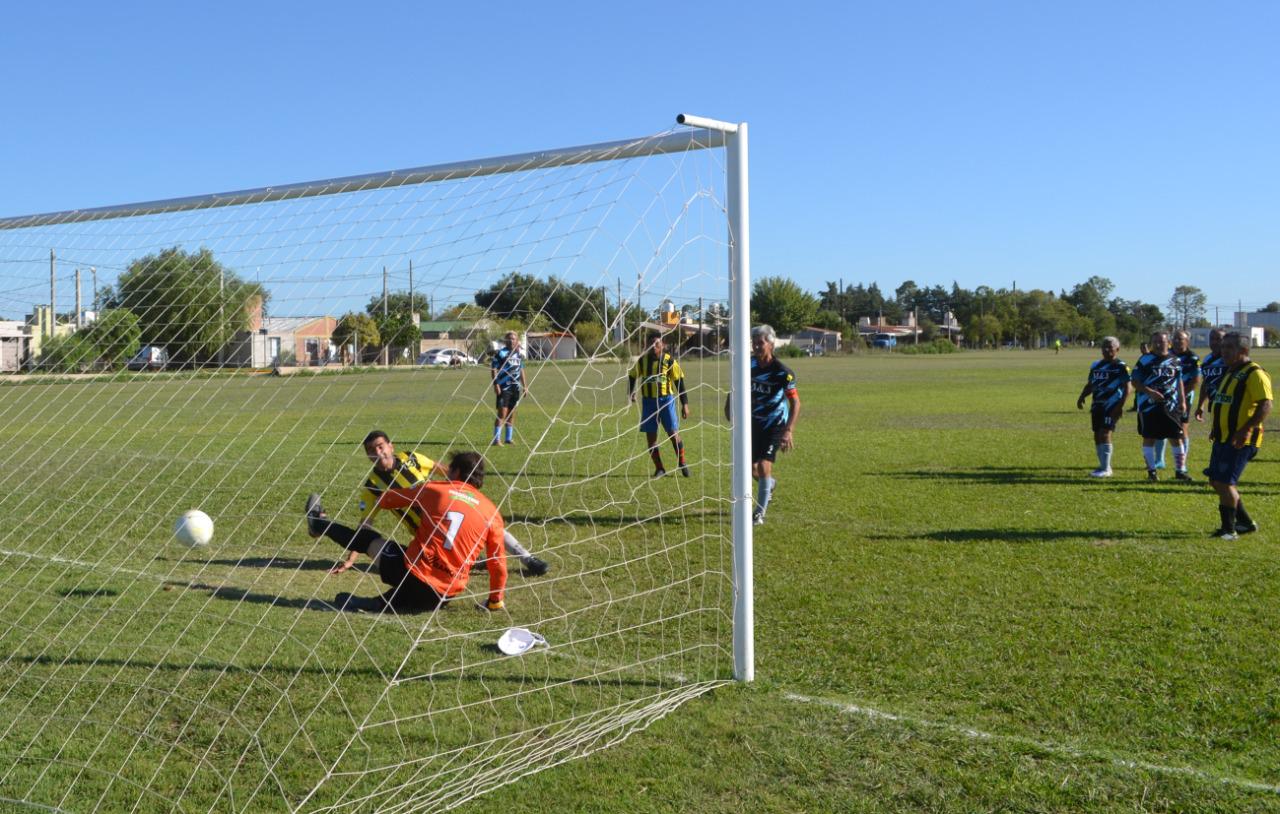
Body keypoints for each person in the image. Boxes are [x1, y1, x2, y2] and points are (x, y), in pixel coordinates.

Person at [309, 430, 549, 576]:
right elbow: (366, 525)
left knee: (488, 524)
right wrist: (351, 560)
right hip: (426, 539)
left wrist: (466, 488)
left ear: (391, 446)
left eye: (381, 446)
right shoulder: (372, 485)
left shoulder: (411, 459)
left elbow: (441, 469)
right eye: (371, 450)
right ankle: (475, 561)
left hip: (445, 515)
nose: (378, 453)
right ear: (367, 455)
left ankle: (528, 558)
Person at [306, 451, 508, 613]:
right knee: (416, 576)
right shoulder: (492, 512)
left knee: (369, 540)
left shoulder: (435, 490)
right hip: (444, 595)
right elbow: (498, 564)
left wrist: (381, 498)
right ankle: (376, 603)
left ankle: (318, 524)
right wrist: (494, 601)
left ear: (455, 472)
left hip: (412, 575)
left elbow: (387, 500)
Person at [725, 324, 800, 525]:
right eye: (754, 343)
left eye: (761, 343)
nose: (757, 347)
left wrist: (788, 431)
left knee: (763, 466)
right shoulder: (747, 365)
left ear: (771, 344)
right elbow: (735, 387)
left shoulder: (783, 373)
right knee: (750, 469)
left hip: (774, 425)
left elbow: (795, 403)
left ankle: (759, 512)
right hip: (753, 423)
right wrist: (728, 406)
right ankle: (770, 485)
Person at [1204, 332, 1272, 539]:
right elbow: (1225, 402)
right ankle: (1245, 522)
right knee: (1217, 481)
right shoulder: (1231, 371)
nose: (1223, 351)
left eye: (1229, 347)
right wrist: (1217, 427)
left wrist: (1246, 429)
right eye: (1223, 347)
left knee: (1224, 483)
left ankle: (1229, 530)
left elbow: (1265, 404)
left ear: (1243, 350)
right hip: (1224, 437)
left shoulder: (1254, 373)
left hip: (1241, 440)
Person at [628, 332, 690, 477]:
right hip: (649, 402)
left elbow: (679, 382)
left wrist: (685, 404)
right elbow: (632, 376)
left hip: (666, 401)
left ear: (662, 345)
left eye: (656, 343)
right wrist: (632, 392)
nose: (653, 346)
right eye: (651, 344)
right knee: (651, 437)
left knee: (673, 433)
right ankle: (660, 469)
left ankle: (682, 462)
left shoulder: (669, 361)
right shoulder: (642, 361)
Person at [1130, 331, 1186, 482]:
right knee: (1149, 438)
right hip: (1149, 406)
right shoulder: (1144, 360)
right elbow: (1135, 381)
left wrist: (1182, 401)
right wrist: (1150, 392)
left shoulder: (1175, 360)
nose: (1159, 345)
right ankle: (1152, 472)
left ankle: (1180, 472)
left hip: (1171, 405)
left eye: (1162, 341)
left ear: (1169, 343)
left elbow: (1179, 381)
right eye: (1155, 342)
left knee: (1176, 438)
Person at [1075, 336, 1131, 478]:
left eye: (1110, 347)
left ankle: (1107, 468)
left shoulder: (1121, 366)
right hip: (1097, 405)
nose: (1106, 350)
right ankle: (1102, 466)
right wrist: (1082, 396)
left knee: (1105, 434)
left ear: (1117, 349)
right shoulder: (1096, 365)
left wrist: (1120, 407)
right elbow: (1091, 384)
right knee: (1096, 435)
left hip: (1111, 406)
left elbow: (1128, 388)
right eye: (1104, 347)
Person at [1168, 329, 1201, 480]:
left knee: (1182, 428)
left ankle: (1182, 464)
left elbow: (1195, 381)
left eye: (1180, 339)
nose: (1177, 341)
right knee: (1162, 427)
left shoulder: (1192, 358)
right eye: (1175, 338)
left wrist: (1181, 396)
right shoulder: (1166, 354)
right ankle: (1158, 461)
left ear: (1187, 341)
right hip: (1166, 397)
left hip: (1184, 397)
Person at [491, 331, 527, 446]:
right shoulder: (500, 354)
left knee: (512, 413)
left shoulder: (518, 354)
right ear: (506, 341)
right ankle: (496, 440)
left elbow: (521, 370)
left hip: (515, 388)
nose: (511, 340)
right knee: (502, 413)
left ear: (516, 341)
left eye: (513, 338)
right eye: (509, 338)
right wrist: (496, 384)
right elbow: (493, 369)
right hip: (504, 388)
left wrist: (525, 386)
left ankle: (508, 438)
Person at [1194, 328, 1227, 424]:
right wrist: (1200, 405)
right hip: (1214, 404)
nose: (1214, 342)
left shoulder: (1231, 359)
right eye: (1212, 339)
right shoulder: (1207, 360)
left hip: (1230, 405)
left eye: (1218, 339)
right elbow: (1206, 383)